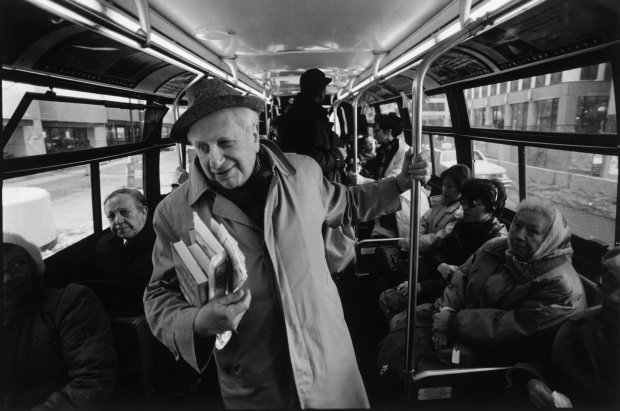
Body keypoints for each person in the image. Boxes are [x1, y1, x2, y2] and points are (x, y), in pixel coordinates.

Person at [143, 77, 430, 409]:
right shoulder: (175, 214)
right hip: (253, 372)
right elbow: (159, 293)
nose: (215, 161)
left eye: (225, 143)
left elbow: (347, 204)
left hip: (325, 356)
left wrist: (399, 184)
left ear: (254, 136)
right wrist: (196, 321)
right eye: (203, 148)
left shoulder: (303, 174)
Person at [377, 198, 587, 382]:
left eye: (533, 232)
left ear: (549, 239)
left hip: (494, 350)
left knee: (419, 365)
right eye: (517, 226)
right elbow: (460, 276)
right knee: (401, 326)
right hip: (455, 319)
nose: (519, 236)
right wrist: (445, 312)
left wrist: (452, 323)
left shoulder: (560, 285)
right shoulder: (496, 247)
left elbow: (512, 326)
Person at [2, 232, 117, 410]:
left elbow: (93, 377)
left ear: (34, 267)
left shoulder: (69, 303)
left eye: (18, 264)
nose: (7, 278)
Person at [506, 245, 620, 408]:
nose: (615, 298)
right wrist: (531, 380)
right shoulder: (579, 326)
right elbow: (548, 365)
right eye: (610, 283)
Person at [380, 178, 507, 319]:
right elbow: (439, 250)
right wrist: (441, 264)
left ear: (492, 206)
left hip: (453, 297)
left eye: (473, 203)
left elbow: (467, 282)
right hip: (438, 280)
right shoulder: (463, 225)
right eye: (464, 201)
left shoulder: (494, 242)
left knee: (388, 301)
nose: (465, 206)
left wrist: (422, 286)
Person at [277, 67, 348, 183]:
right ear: (321, 92)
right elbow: (308, 161)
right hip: (312, 186)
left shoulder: (302, 115)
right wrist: (338, 156)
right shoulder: (307, 119)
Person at [95, 187, 155, 316]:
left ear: (143, 212)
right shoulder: (104, 246)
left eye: (125, 212)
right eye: (111, 216)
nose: (118, 221)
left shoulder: (162, 242)